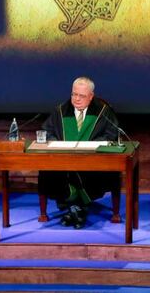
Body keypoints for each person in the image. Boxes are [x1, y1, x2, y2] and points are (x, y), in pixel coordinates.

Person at [39, 76, 120, 228]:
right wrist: (57, 143)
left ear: (91, 96)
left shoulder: (103, 111)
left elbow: (112, 134)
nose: (76, 99)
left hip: (92, 161)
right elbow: (47, 131)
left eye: (81, 96)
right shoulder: (61, 110)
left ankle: (73, 209)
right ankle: (78, 209)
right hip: (64, 161)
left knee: (94, 172)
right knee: (49, 171)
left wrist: (91, 146)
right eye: (73, 94)